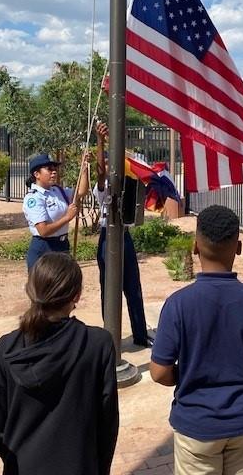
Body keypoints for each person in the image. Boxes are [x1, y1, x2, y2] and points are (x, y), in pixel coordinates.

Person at [150, 204, 243, 475]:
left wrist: (186, 375)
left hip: (196, 426)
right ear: (240, 248)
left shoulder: (178, 305)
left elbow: (159, 371)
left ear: (195, 247)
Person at [0, 252, 119, 475]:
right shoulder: (97, 345)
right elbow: (107, 423)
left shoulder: (6, 348)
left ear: (30, 290)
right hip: (80, 465)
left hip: (23, 466)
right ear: (76, 296)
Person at [94, 121, 153, 347]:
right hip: (107, 238)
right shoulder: (103, 185)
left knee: (133, 287)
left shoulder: (127, 182)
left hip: (124, 237)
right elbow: (100, 174)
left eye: (112, 161)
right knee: (110, 290)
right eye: (107, 162)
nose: (109, 165)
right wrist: (100, 142)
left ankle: (140, 334)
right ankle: (110, 339)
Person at [23, 152, 89, 269]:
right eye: (49, 169)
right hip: (45, 247)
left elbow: (80, 192)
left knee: (63, 285)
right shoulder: (34, 198)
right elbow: (43, 230)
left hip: (62, 245)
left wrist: (84, 168)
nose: (53, 172)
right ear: (36, 174)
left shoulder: (58, 191)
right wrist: (67, 217)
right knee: (45, 287)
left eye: (54, 169)